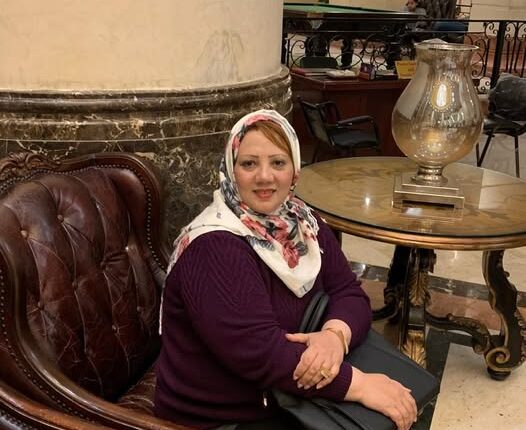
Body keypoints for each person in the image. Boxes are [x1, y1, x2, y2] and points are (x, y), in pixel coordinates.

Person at [154, 110, 417, 430]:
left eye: (278, 162)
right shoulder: (215, 247)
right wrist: (358, 386)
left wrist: (334, 337)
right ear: (231, 170)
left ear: (294, 169)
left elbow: (348, 292)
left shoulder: (303, 222)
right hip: (221, 416)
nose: (265, 177)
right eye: (249, 164)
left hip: (287, 396)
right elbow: (259, 352)